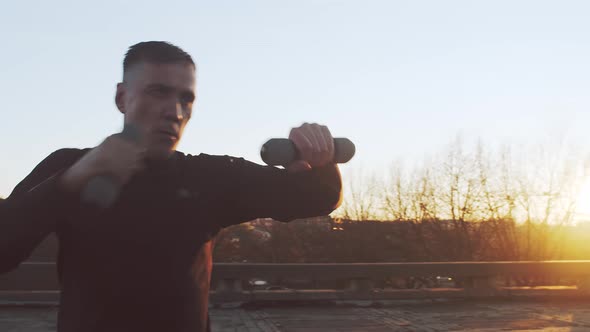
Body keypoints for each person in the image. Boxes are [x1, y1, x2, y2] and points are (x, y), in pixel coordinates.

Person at [0, 41, 342, 332]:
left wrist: (323, 158)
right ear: (122, 97)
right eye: (158, 92)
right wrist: (70, 182)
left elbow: (319, 197)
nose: (174, 111)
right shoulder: (67, 167)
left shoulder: (211, 177)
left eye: (186, 98)